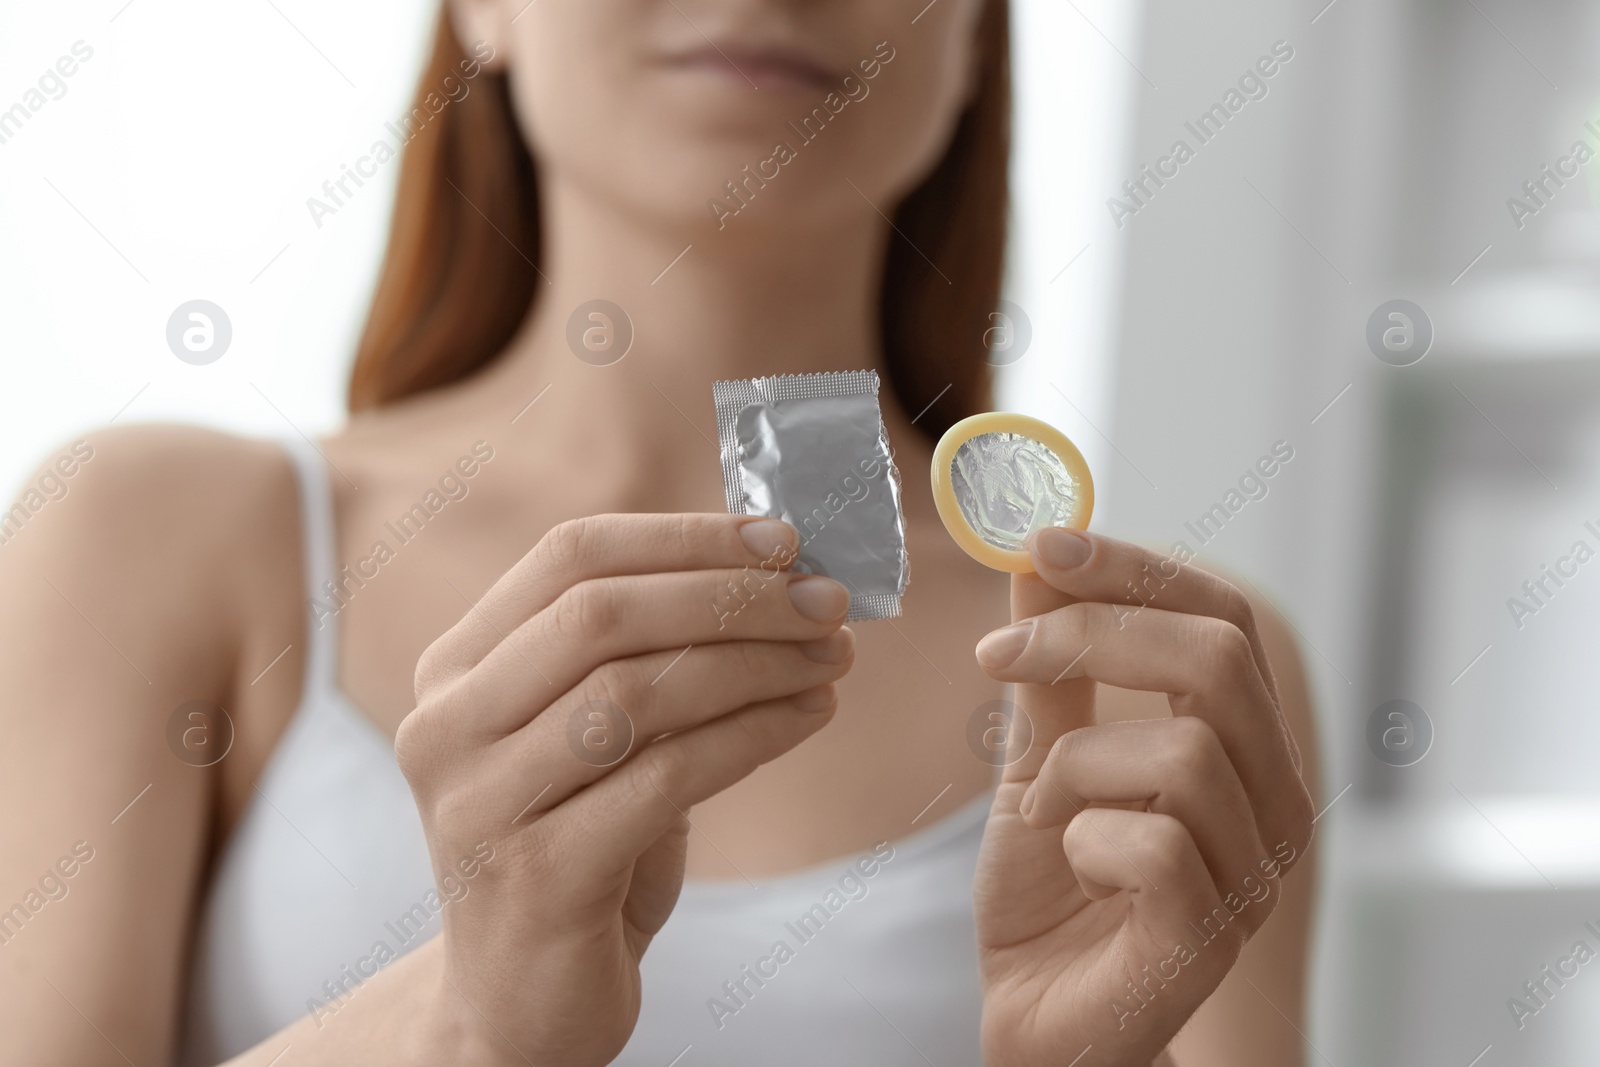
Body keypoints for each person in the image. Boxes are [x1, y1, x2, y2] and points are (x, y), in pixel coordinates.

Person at [0, 1, 1318, 1064]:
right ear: (481, 9)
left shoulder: (1160, 663)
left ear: (976, 32)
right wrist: (464, 1030)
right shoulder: (150, 536)